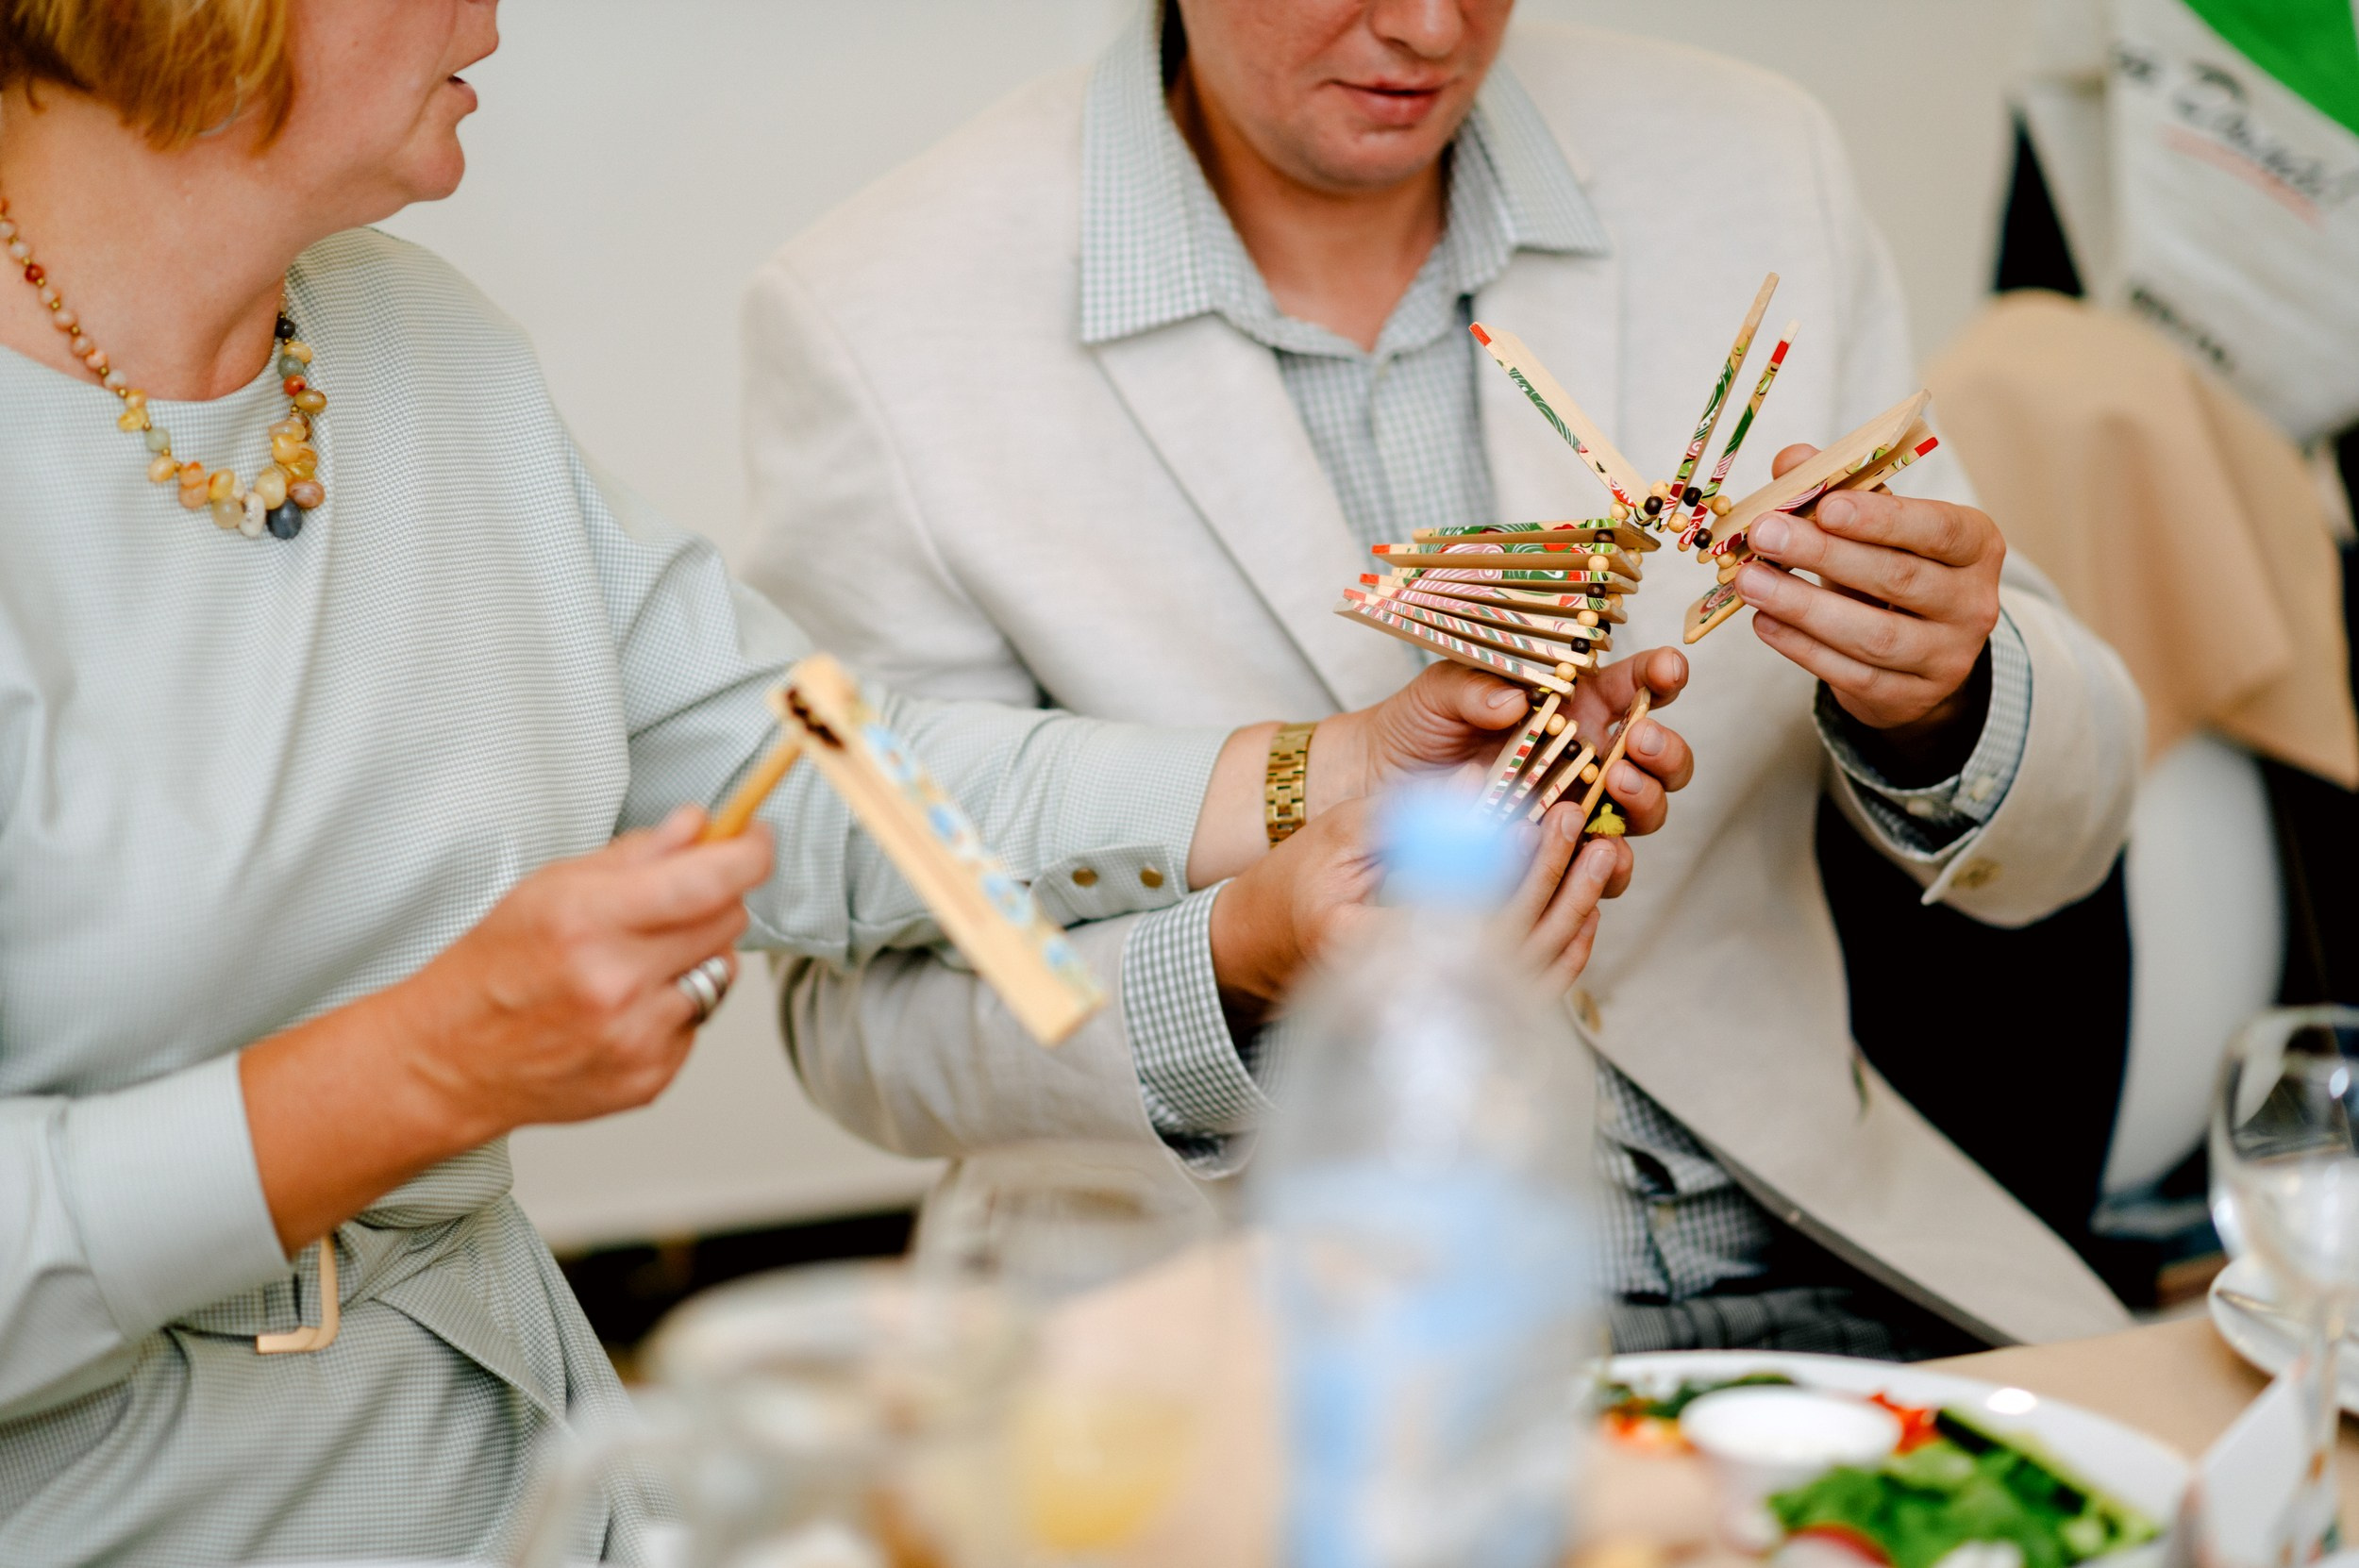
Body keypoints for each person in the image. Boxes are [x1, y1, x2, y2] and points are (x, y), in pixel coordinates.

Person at [0, 2, 1692, 1562]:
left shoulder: (414, 343)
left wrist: (1321, 769)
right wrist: (425, 1065)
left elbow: (810, 764)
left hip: (533, 1472)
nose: (496, 13)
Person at [742, 0, 2147, 1353]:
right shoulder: (886, 317)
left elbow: (2068, 834)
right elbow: (857, 1008)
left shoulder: (1749, 163)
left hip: (1811, 1268)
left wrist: (1940, 696)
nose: (1429, 28)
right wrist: (1241, 965)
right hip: (1256, 1339)